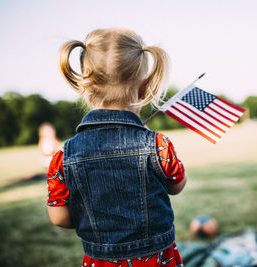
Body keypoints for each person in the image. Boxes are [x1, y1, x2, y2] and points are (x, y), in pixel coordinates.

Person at [47, 28, 187, 267]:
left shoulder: (63, 157)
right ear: (144, 88)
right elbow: (177, 185)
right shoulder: (158, 145)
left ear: (86, 88)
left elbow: (59, 217)